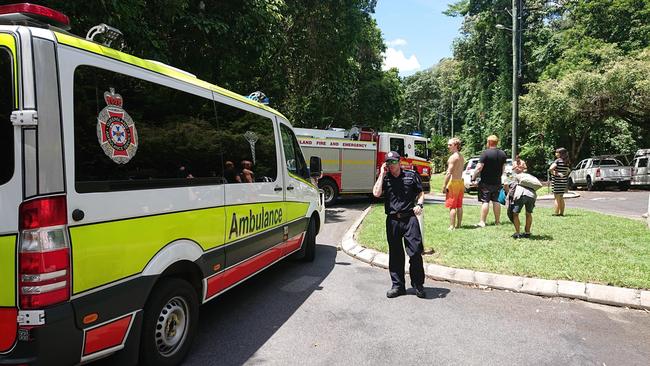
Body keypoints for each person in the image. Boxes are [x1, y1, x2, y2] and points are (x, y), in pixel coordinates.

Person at [373, 151, 426, 299]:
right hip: (393, 220)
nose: (391, 165)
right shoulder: (386, 177)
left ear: (399, 162)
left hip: (409, 218)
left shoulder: (411, 175)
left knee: (415, 252)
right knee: (396, 254)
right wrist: (381, 174)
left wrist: (419, 205)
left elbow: (420, 193)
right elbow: (376, 193)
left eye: (393, 162)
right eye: (388, 162)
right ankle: (398, 286)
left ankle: (418, 284)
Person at [471, 135, 507, 227]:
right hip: (497, 181)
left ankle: (482, 222)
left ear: (489, 142)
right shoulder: (503, 154)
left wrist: (473, 177)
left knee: (485, 201)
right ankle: (497, 221)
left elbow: (479, 167)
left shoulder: (485, 153)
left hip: (485, 182)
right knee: (496, 201)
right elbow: (503, 168)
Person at [443, 137, 465, 230]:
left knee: (452, 206)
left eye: (450, 145)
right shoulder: (461, 156)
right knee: (459, 205)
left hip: (453, 183)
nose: (448, 146)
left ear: (456, 145)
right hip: (460, 182)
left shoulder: (453, 157)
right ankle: (459, 224)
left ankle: (452, 226)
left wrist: (444, 185)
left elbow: (449, 173)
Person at [549, 147, 571, 216]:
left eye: (557, 152)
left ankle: (556, 213)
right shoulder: (567, 161)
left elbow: (550, 168)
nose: (555, 153)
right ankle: (561, 213)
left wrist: (557, 173)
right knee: (561, 197)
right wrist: (563, 175)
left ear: (560, 153)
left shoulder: (558, 161)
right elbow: (568, 171)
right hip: (563, 181)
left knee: (556, 198)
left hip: (557, 181)